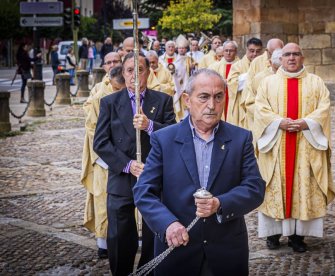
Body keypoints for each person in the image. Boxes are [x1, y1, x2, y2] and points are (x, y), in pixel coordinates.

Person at [133, 69, 265, 276]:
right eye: (204, 97)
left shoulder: (241, 138)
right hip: (177, 250)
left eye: (218, 97)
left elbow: (254, 188)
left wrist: (220, 203)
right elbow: (143, 191)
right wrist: (168, 224)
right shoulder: (164, 139)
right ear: (187, 99)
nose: (212, 105)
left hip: (226, 252)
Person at [93, 52, 176, 275]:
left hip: (153, 176)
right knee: (120, 233)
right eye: (130, 70)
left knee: (154, 230)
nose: (134, 75)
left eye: (140, 70)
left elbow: (174, 136)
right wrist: (128, 164)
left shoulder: (163, 100)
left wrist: (150, 125)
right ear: (123, 73)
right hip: (121, 176)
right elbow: (100, 142)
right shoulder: (109, 102)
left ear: (148, 72)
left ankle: (147, 272)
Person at [253, 43, 335, 253]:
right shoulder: (268, 83)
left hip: (305, 148)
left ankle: (297, 237)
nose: (291, 58)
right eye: (287, 54)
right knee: (274, 188)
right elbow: (260, 110)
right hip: (276, 147)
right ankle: (272, 235)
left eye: (296, 54)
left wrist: (307, 123)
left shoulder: (316, 82)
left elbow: (324, 108)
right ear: (280, 59)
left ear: (303, 57)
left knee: (303, 189)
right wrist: (278, 122)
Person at [81, 52, 122, 259]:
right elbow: (91, 124)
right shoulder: (98, 91)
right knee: (102, 197)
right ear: (104, 66)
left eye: (116, 61)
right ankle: (103, 242)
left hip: (127, 153)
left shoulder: (129, 84)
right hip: (103, 155)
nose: (113, 64)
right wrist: (105, 151)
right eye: (109, 62)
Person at [226, 37, 263, 127]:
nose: (254, 54)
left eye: (258, 51)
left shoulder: (264, 66)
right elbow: (232, 84)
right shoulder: (237, 65)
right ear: (246, 50)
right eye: (251, 50)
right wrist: (251, 75)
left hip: (257, 104)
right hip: (241, 105)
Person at [244, 49, 283, 130]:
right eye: (276, 68)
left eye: (281, 68)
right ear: (270, 63)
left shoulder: (290, 77)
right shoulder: (259, 78)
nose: (279, 72)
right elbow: (250, 103)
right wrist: (268, 117)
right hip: (264, 123)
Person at [208, 41, 239, 120]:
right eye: (226, 50)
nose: (228, 53)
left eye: (231, 51)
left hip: (236, 99)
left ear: (236, 51)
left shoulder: (241, 65)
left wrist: (230, 82)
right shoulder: (214, 66)